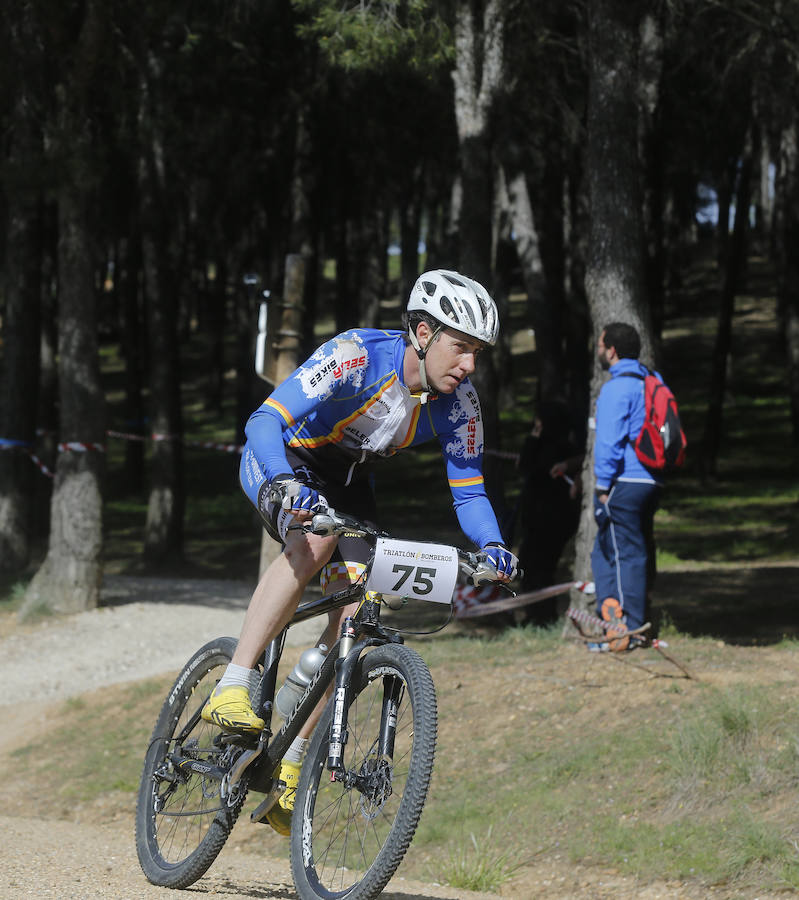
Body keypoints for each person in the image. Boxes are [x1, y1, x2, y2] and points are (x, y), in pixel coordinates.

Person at [202, 269, 518, 833]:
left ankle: (292, 762)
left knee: (360, 611)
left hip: (347, 479)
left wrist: (492, 546)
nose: (470, 365)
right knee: (317, 539)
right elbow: (264, 420)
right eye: (462, 348)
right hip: (283, 458)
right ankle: (233, 681)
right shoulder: (354, 355)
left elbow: (469, 488)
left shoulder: (459, 404)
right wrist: (282, 482)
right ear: (423, 332)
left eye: (478, 354)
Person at [590, 322, 661, 652]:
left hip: (624, 482)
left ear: (612, 350)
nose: (599, 350)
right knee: (620, 549)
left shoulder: (616, 389)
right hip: (651, 480)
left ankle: (626, 631)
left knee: (625, 554)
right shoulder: (652, 380)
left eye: (601, 345)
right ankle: (628, 620)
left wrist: (602, 487)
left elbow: (608, 443)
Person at [515, 401, 582, 625]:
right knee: (531, 566)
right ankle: (536, 614)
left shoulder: (560, 449)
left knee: (541, 568)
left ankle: (543, 616)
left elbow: (527, 466)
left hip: (550, 520)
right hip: (539, 519)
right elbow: (524, 466)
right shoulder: (552, 446)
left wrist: (534, 439)